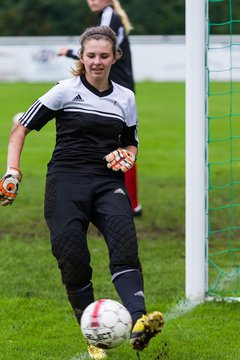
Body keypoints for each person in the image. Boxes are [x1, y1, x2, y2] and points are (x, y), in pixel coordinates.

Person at [0, 26, 163, 359]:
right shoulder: (64, 91)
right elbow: (20, 130)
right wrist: (12, 171)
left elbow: (131, 142)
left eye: (104, 55)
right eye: (91, 55)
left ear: (115, 57)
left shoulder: (125, 97)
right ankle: (92, 335)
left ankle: (139, 320)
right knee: (72, 258)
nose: (97, 62)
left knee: (124, 244)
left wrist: (126, 155)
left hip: (107, 183)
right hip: (66, 182)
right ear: (82, 56)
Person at [58, 0, 142, 217]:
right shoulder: (112, 15)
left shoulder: (108, 16)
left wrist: (69, 52)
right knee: (122, 147)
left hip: (116, 93)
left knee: (123, 147)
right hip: (117, 92)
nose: (92, 1)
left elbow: (100, 49)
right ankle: (127, 202)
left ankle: (127, 202)